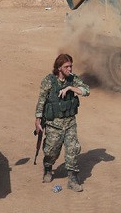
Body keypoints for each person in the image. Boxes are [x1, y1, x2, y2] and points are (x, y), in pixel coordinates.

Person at [34, 54, 90, 192]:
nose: (70, 68)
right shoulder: (48, 81)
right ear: (59, 68)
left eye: (71, 65)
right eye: (66, 66)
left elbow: (86, 90)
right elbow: (41, 101)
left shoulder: (73, 79)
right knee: (51, 151)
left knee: (73, 149)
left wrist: (71, 88)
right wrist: (38, 119)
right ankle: (48, 168)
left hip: (70, 123)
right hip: (54, 124)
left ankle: (73, 179)